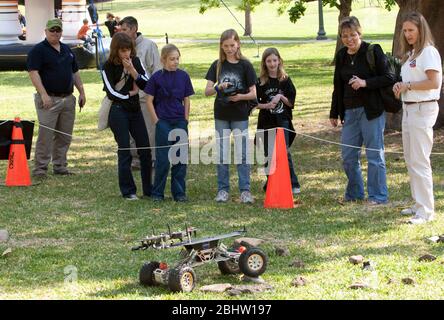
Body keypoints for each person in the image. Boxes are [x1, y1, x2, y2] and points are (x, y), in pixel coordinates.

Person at [330, 16, 395, 205]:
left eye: (353, 35)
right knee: (348, 156)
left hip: (371, 111)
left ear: (360, 33)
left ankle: (378, 196)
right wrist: (334, 112)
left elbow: (389, 76)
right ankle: (355, 193)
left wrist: (365, 83)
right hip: (349, 112)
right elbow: (338, 86)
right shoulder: (342, 55)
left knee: (374, 155)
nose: (349, 39)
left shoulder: (373, 51)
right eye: (344, 36)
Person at [392, 12, 442, 224]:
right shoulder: (412, 54)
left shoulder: (429, 52)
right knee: (411, 159)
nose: (407, 34)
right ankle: (418, 203)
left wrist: (409, 86)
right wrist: (400, 86)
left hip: (424, 110)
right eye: (405, 30)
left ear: (421, 30)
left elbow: (434, 83)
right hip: (409, 108)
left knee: (420, 160)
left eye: (411, 30)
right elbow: (409, 82)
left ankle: (426, 211)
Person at [27, 19, 86, 178]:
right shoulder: (38, 50)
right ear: (46, 31)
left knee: (64, 135)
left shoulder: (67, 49)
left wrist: (81, 92)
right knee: (46, 136)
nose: (55, 33)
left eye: (58, 30)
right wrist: (44, 95)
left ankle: (60, 166)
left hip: (68, 99)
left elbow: (75, 73)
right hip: (49, 100)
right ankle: (40, 169)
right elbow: (33, 73)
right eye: (52, 30)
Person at [205, 29, 257, 204]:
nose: (229, 49)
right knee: (222, 153)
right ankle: (223, 190)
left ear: (238, 44)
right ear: (221, 46)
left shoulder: (245, 65)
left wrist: (240, 97)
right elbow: (207, 91)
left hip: (240, 115)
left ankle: (245, 190)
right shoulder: (217, 65)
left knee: (242, 153)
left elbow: (254, 94)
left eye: (232, 45)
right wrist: (219, 87)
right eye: (226, 46)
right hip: (221, 114)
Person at [101, 32, 152, 200]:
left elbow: (146, 84)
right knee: (124, 150)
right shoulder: (107, 66)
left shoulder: (136, 62)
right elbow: (111, 93)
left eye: (128, 50)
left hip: (135, 110)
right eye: (122, 50)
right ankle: (128, 191)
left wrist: (132, 71)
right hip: (117, 111)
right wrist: (130, 94)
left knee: (145, 148)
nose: (126, 54)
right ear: (116, 50)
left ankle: (148, 189)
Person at [145, 44, 194, 202]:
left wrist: (185, 119)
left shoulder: (184, 76)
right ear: (163, 60)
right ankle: (157, 193)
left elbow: (186, 100)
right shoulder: (156, 78)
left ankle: (179, 193)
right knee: (163, 160)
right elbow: (149, 100)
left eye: (177, 59)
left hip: (179, 121)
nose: (175, 62)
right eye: (172, 59)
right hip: (163, 122)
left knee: (180, 159)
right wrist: (157, 121)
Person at [255, 47, 301, 195]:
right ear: (264, 63)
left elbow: (291, 103)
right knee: (268, 154)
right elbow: (254, 103)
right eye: (269, 61)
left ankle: (293, 184)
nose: (272, 63)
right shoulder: (261, 82)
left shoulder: (285, 80)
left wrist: (280, 97)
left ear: (279, 61)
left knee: (283, 153)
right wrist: (267, 105)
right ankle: (272, 182)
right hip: (266, 122)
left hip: (282, 121)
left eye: (275, 60)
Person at [119, 16, 162, 170]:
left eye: (124, 29)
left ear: (134, 29)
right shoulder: (121, 47)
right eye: (120, 29)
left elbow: (157, 71)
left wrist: (153, 95)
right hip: (128, 97)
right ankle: (135, 159)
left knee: (149, 130)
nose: (121, 32)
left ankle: (151, 158)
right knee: (131, 132)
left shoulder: (149, 46)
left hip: (145, 97)